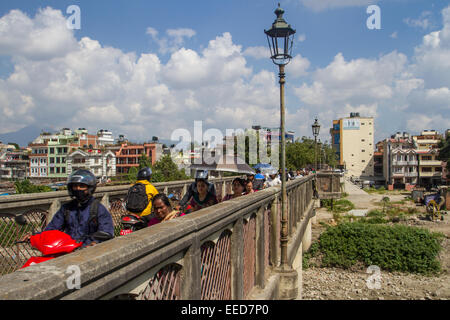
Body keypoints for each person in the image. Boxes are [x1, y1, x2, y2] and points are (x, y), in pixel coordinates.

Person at [43, 169, 114, 246]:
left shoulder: (98, 209)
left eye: (82, 186)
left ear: (90, 188)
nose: (78, 189)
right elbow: (52, 229)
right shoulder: (66, 208)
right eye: (75, 186)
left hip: (89, 251)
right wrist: (35, 236)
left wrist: (94, 242)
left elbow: (106, 231)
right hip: (69, 249)